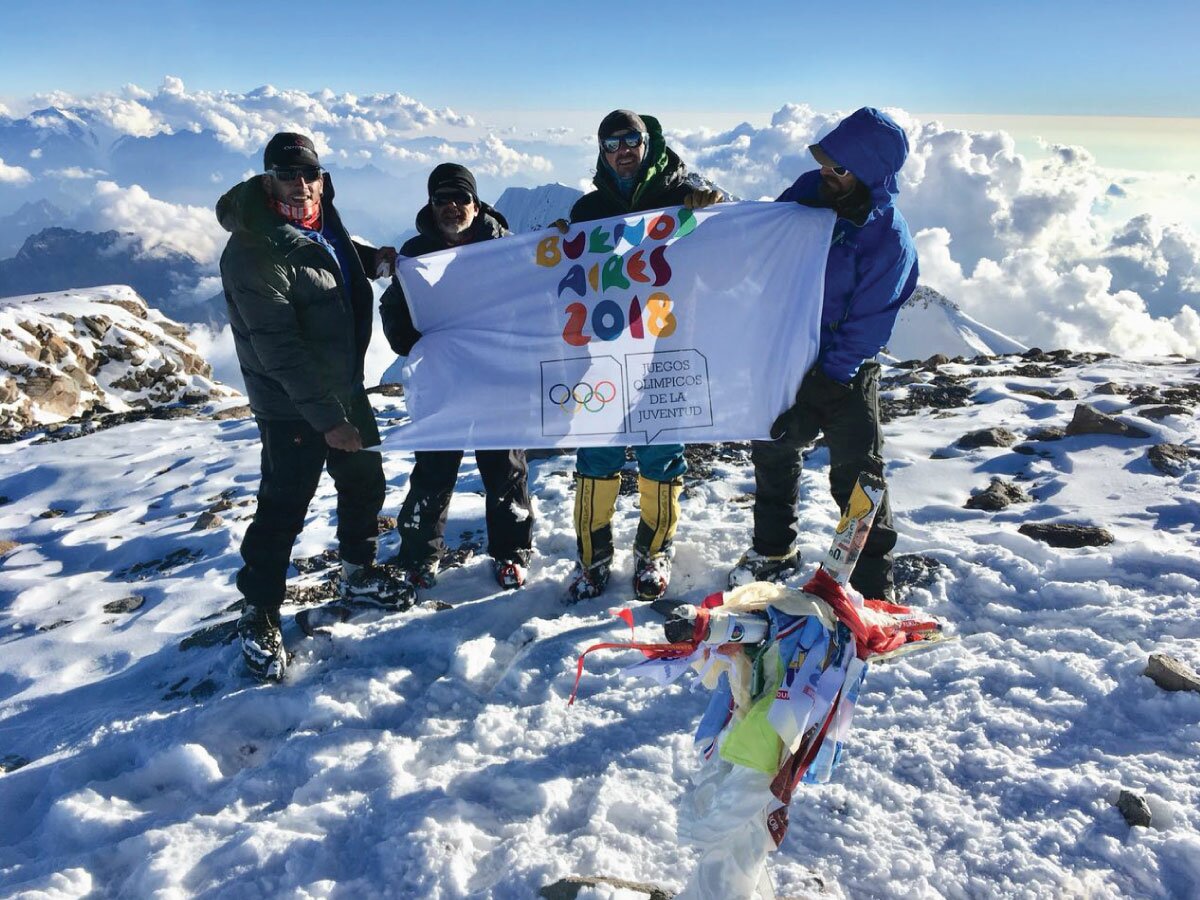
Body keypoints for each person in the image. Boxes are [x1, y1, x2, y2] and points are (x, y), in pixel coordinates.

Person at [217, 132, 403, 681]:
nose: (301, 185)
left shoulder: (321, 213)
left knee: (365, 480)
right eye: (287, 174)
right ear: (267, 178)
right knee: (284, 506)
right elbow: (280, 349)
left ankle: (357, 570)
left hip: (343, 385)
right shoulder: (253, 248)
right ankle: (259, 612)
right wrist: (328, 420)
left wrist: (374, 261)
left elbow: (329, 262)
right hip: (291, 404)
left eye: (309, 174)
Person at [729, 107, 919, 602]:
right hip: (787, 349)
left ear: (871, 173)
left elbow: (868, 324)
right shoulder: (809, 193)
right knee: (773, 451)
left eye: (840, 169)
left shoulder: (890, 239)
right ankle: (773, 551)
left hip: (848, 367)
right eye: (825, 163)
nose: (827, 175)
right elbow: (765, 235)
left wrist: (824, 384)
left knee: (858, 473)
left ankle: (872, 585)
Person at [561, 110, 722, 603]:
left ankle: (654, 551)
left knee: (660, 455)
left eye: (632, 139)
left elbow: (734, 234)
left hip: (666, 352)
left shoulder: (681, 198)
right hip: (603, 355)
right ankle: (593, 559)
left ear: (648, 143)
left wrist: (711, 203)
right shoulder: (587, 211)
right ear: (601, 151)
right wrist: (552, 239)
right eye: (612, 142)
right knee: (596, 455)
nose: (622, 149)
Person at [379, 164, 535, 593]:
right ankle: (418, 556)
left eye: (460, 198)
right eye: (441, 199)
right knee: (433, 469)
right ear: (430, 205)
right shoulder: (416, 252)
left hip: (496, 378)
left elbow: (536, 300)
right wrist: (412, 343)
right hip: (443, 381)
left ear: (476, 202)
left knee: (505, 470)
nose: (451, 206)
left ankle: (511, 553)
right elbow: (393, 308)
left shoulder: (506, 248)